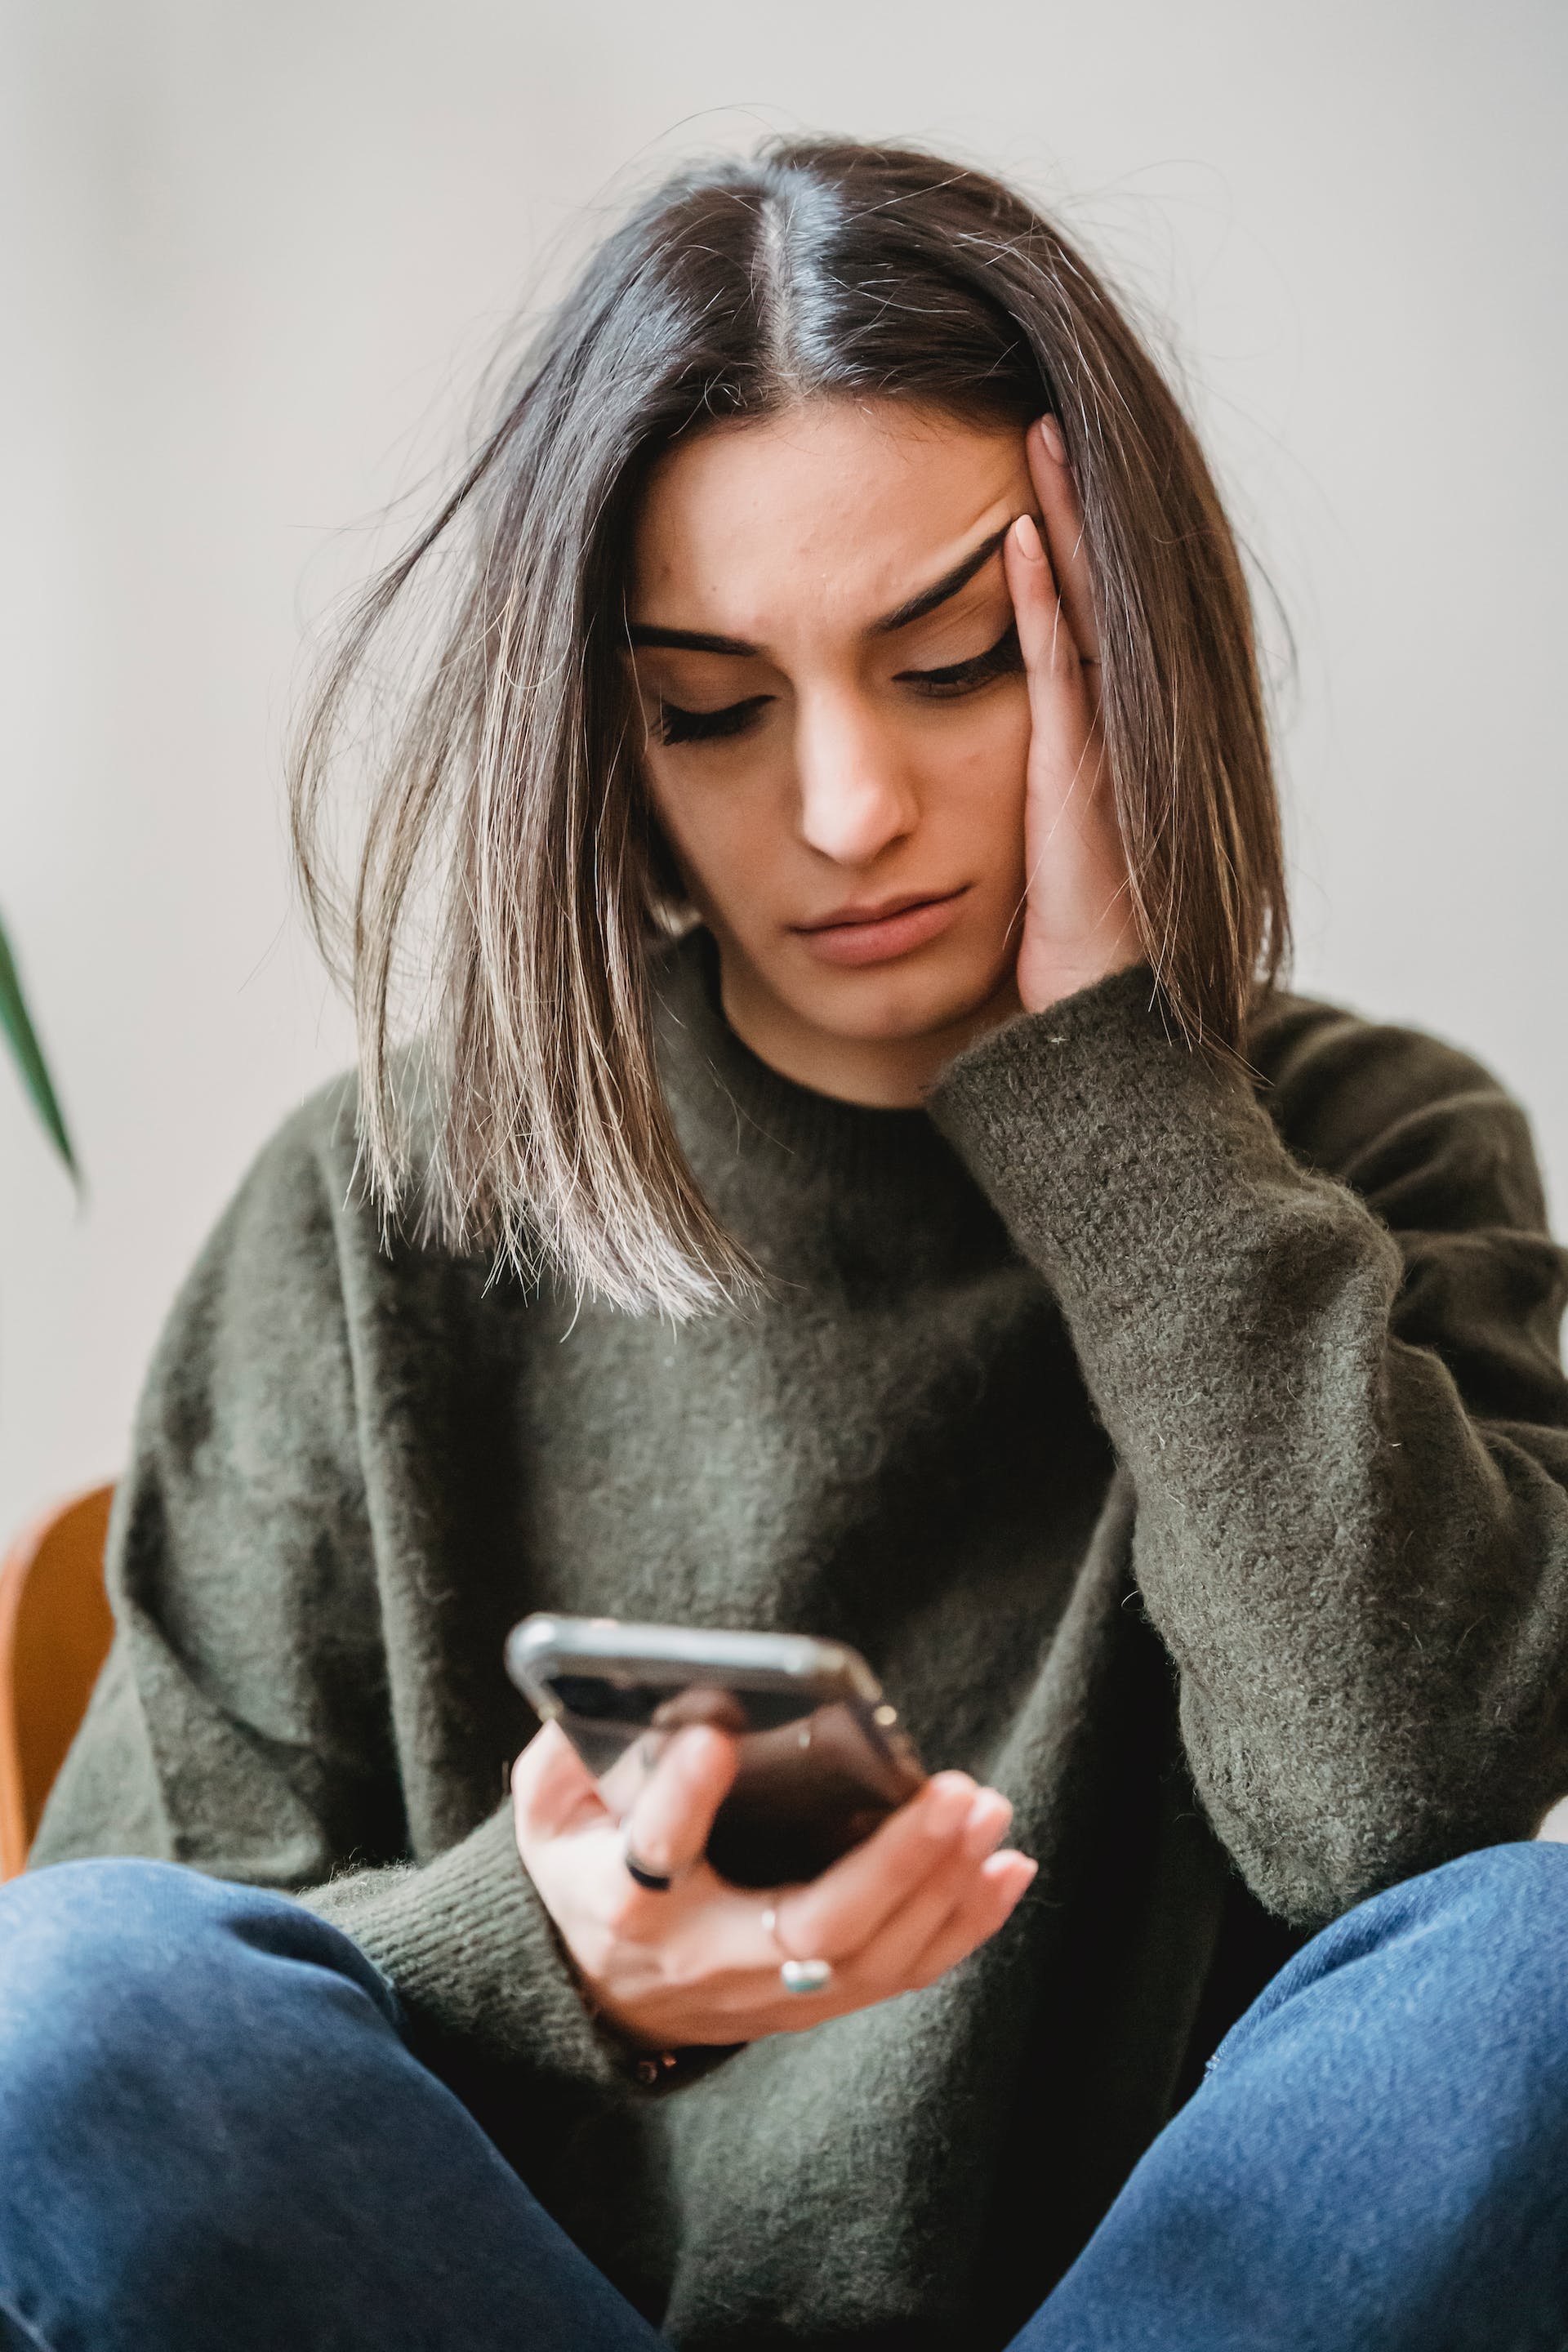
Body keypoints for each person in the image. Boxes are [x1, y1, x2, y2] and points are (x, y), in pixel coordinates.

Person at [6, 135, 1568, 2352]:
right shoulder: (388, 1206)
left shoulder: (1373, 1148)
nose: (843, 809)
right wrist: (542, 1954)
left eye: (951, 664)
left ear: (1130, 650)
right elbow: (116, 2065)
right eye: (714, 711)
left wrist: (1117, 1091)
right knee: (66, 1997)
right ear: (609, 747)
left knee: (1541, 1960)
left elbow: (1396, 1823)